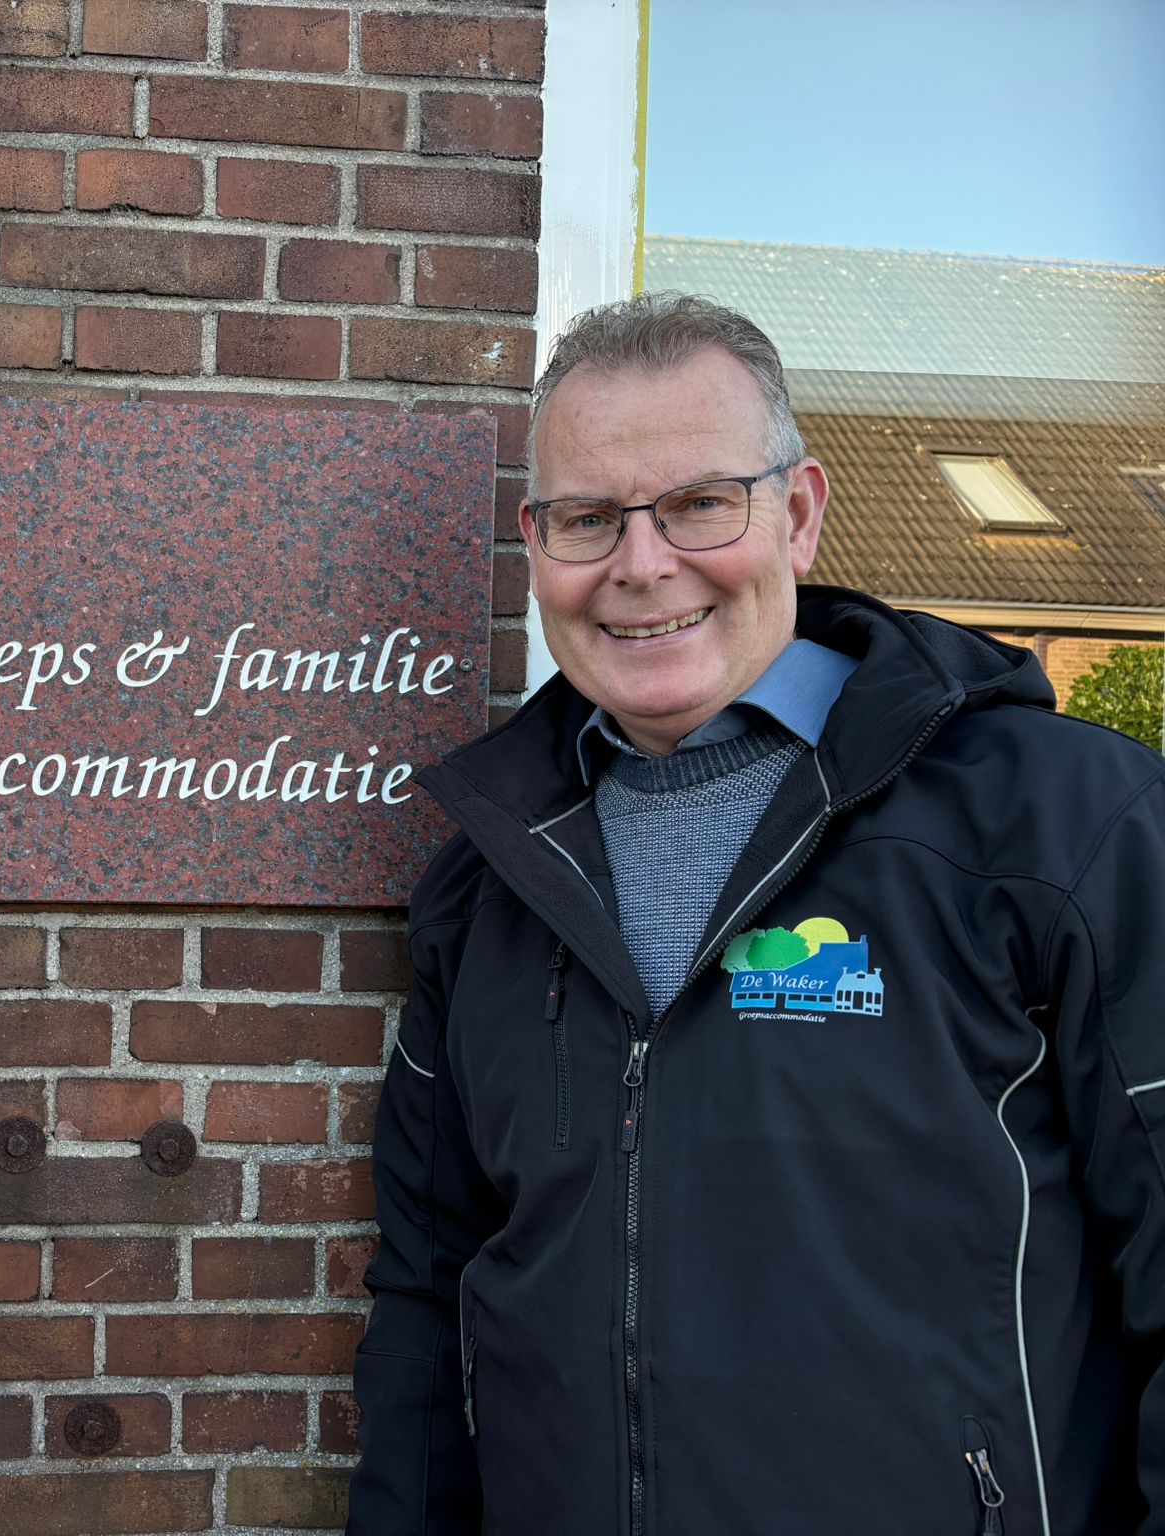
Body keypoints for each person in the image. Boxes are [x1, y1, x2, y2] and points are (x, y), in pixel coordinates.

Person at [347, 292, 1165, 1534]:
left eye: (696, 503)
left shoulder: (1061, 829)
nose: (640, 565)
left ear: (797, 512)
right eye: (587, 519)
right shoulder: (487, 883)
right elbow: (424, 1299)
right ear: (535, 546)